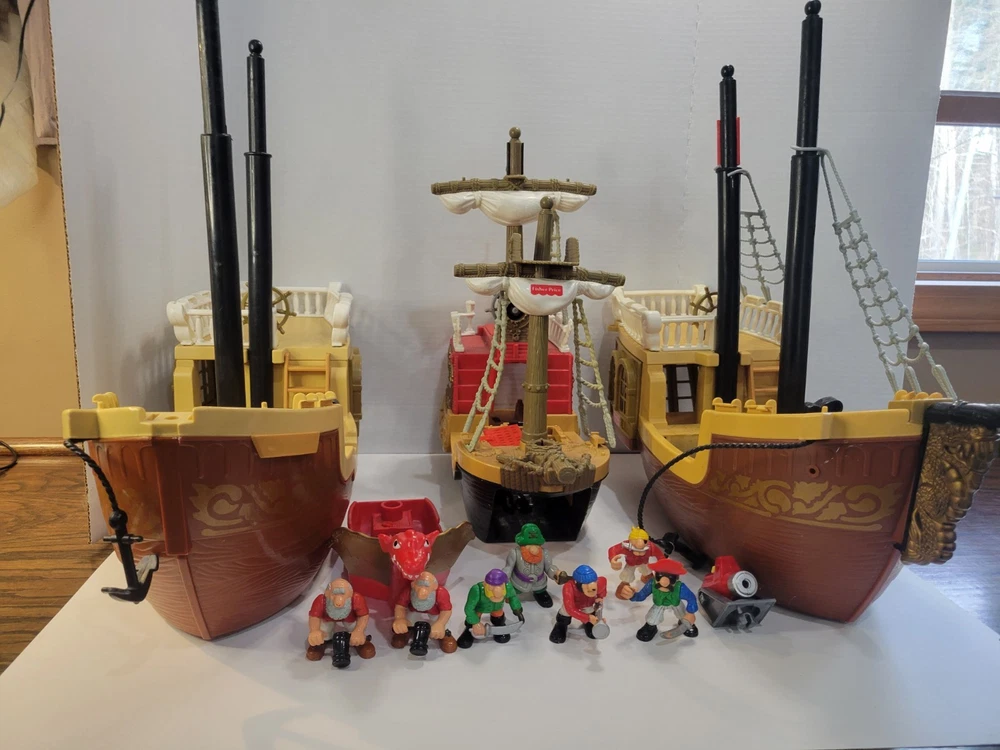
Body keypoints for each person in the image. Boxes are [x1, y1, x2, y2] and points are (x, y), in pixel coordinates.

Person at [623, 558, 699, 641]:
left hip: (675, 603)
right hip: (659, 604)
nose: (664, 582)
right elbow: (642, 595)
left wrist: (691, 612)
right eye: (659, 576)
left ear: (676, 578)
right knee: (652, 618)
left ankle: (685, 623)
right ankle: (650, 627)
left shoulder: (680, 588)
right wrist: (632, 595)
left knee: (682, 614)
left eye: (671, 578)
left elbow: (691, 598)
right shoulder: (651, 584)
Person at [306, 578, 375, 668]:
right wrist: (314, 630)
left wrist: (359, 631)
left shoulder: (356, 599)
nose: (338, 601)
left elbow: (363, 615)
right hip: (327, 619)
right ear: (327, 593)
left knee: (354, 627)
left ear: (350, 594)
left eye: (343, 594)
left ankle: (359, 641)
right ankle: (320, 643)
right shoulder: (321, 600)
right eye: (334, 594)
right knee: (324, 630)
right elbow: (314, 616)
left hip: (350, 618)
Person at [502, 523, 569, 608]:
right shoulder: (515, 553)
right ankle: (512, 594)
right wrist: (503, 577)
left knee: (540, 589)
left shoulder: (544, 553)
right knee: (514, 590)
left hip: (539, 582)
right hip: (519, 582)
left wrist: (556, 573)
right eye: (529, 538)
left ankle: (540, 593)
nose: (532, 544)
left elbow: (549, 567)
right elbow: (509, 567)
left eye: (535, 538)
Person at [392, 570, 458, 656]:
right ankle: (404, 631)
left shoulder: (441, 593)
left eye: (426, 586)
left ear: (434, 586)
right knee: (408, 618)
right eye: (420, 584)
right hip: (414, 611)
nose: (422, 590)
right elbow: (400, 606)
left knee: (441, 621)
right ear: (413, 584)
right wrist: (400, 618)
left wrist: (440, 623)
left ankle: (444, 633)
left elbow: (446, 610)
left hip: (434, 613)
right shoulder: (408, 591)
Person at [457, 568, 525, 648]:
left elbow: (513, 597)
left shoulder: (507, 587)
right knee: (473, 619)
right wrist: (475, 623)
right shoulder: (477, 590)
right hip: (479, 608)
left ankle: (499, 626)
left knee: (498, 617)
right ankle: (469, 630)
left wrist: (517, 610)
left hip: (497, 608)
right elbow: (469, 608)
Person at [549, 565, 607, 644]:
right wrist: (587, 618)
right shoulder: (568, 587)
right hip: (572, 605)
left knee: (590, 611)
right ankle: (561, 626)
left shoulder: (598, 583)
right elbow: (570, 609)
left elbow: (603, 585)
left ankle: (589, 624)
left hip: (587, 604)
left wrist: (600, 597)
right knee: (564, 613)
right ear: (577, 583)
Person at [608, 527, 666, 599]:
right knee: (626, 576)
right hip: (630, 564)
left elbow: (659, 555)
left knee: (647, 571)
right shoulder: (626, 546)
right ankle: (624, 587)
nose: (639, 552)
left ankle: (647, 578)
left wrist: (664, 564)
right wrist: (613, 560)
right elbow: (613, 550)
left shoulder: (650, 547)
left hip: (644, 563)